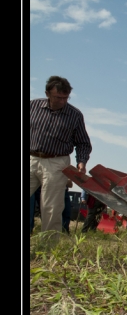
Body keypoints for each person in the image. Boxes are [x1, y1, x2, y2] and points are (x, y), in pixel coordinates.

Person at [29, 76, 92, 243]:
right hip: (30, 158)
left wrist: (82, 161)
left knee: (51, 207)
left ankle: (48, 247)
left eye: (66, 97)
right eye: (58, 97)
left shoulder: (75, 115)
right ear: (47, 94)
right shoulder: (32, 106)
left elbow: (83, 143)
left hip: (56, 162)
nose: (62, 101)